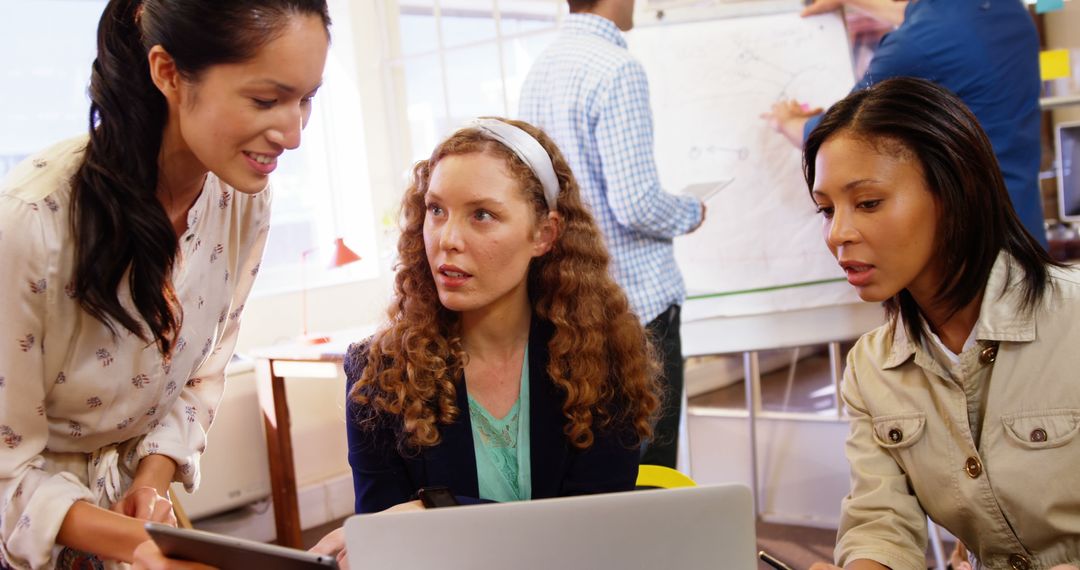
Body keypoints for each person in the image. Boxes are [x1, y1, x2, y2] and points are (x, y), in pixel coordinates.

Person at [0, 1, 330, 568]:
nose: (294, 134)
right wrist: (135, 541)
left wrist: (151, 484)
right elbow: (5, 470)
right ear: (168, 73)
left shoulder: (241, 198)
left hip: (141, 525)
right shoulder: (33, 222)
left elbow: (202, 372)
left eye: (307, 100)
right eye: (265, 99)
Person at [310, 117, 661, 568]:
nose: (447, 240)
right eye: (436, 209)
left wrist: (438, 513)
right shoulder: (378, 372)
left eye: (482, 215)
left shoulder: (602, 361)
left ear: (544, 234)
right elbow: (388, 548)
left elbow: (592, 541)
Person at [804, 77, 1079, 570]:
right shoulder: (871, 368)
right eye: (826, 210)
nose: (838, 234)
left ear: (954, 191)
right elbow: (880, 522)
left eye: (867, 203)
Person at [518, 0, 705, 469]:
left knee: (599, 464)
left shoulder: (540, 69)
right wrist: (690, 210)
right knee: (652, 466)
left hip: (573, 301)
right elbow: (636, 203)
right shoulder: (617, 68)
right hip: (638, 306)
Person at [765, 0, 1047, 248]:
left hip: (972, 243)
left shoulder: (917, 44)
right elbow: (931, 22)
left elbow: (840, 133)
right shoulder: (1008, 10)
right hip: (1025, 229)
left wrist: (788, 121)